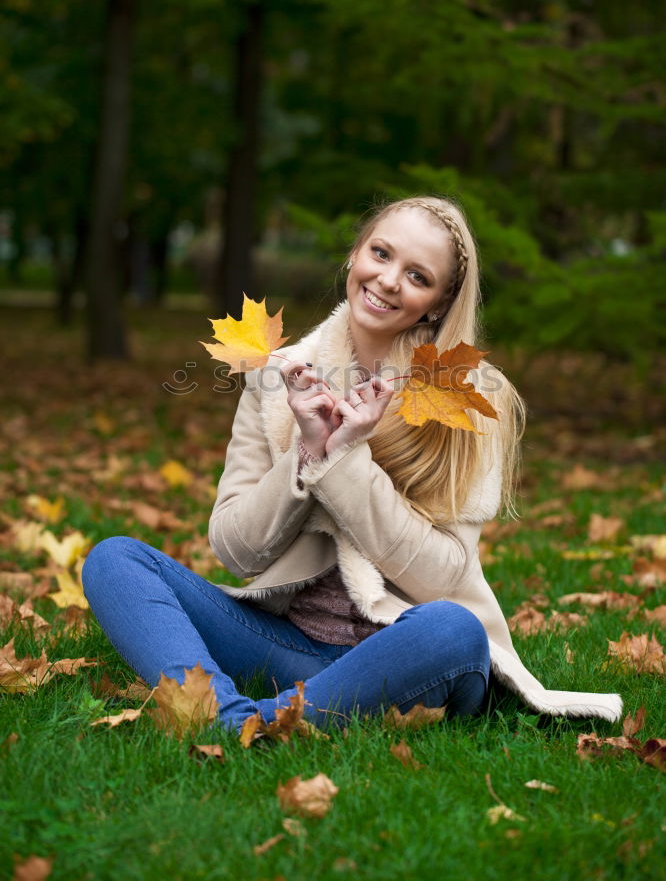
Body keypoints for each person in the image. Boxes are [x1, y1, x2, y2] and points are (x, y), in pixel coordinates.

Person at [82, 196, 623, 734]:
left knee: (454, 629)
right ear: (354, 255)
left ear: (438, 302)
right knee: (115, 561)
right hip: (288, 649)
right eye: (380, 254)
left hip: (411, 654)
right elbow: (235, 549)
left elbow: (443, 576)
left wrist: (343, 458)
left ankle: (248, 723)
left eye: (417, 275)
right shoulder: (279, 380)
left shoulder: (470, 396)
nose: (389, 280)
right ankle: (235, 719)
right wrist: (308, 451)